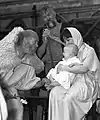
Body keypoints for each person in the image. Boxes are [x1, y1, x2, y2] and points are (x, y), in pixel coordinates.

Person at [45, 27, 100, 120]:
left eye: (69, 40)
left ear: (76, 37)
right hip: (69, 79)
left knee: (68, 99)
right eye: (65, 41)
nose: (67, 43)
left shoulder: (89, 51)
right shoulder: (70, 49)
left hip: (86, 81)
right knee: (54, 93)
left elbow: (84, 69)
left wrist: (65, 68)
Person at [0, 27, 44, 120]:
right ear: (25, 42)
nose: (36, 45)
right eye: (35, 42)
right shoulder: (6, 52)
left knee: (16, 108)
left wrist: (40, 82)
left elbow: (38, 68)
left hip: (8, 89)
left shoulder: (27, 57)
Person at [37, 6, 68, 74]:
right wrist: (45, 42)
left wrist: (53, 37)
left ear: (54, 14)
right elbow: (39, 54)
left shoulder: (64, 27)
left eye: (48, 15)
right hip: (49, 66)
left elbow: (71, 46)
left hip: (63, 64)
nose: (48, 18)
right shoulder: (42, 32)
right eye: (44, 17)